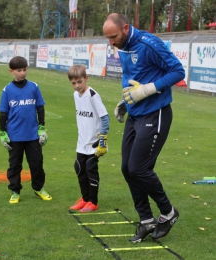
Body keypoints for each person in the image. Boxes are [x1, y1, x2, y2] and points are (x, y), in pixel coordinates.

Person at [103, 13, 185, 242]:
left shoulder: (149, 44)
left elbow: (178, 71)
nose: (112, 42)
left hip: (155, 113)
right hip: (136, 114)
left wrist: (148, 90)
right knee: (127, 169)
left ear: (126, 28)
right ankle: (147, 220)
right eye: (108, 38)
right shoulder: (123, 46)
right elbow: (135, 78)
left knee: (139, 168)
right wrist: (127, 102)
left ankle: (168, 213)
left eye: (114, 36)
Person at [0, 56, 52, 204]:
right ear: (11, 71)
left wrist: (41, 128)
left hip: (32, 135)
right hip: (14, 136)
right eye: (19, 70)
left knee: (37, 163)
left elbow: (40, 108)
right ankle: (15, 191)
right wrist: (2, 133)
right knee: (15, 165)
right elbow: (3, 114)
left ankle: (38, 188)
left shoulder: (34, 87)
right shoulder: (7, 90)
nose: (22, 73)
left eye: (25, 69)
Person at [68, 64, 110, 213]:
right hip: (82, 142)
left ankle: (93, 202)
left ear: (86, 78)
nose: (77, 86)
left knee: (91, 169)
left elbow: (105, 118)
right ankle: (85, 199)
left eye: (80, 82)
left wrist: (103, 140)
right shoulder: (75, 95)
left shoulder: (93, 95)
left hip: (94, 142)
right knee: (79, 168)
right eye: (73, 83)